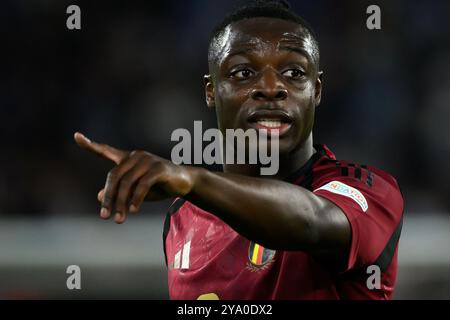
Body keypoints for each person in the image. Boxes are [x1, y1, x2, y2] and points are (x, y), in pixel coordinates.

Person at [74, 0, 403, 299]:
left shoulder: (370, 192)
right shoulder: (183, 218)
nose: (272, 88)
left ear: (315, 91)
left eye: (294, 73)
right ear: (211, 91)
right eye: (244, 73)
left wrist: (191, 180)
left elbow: (311, 222)